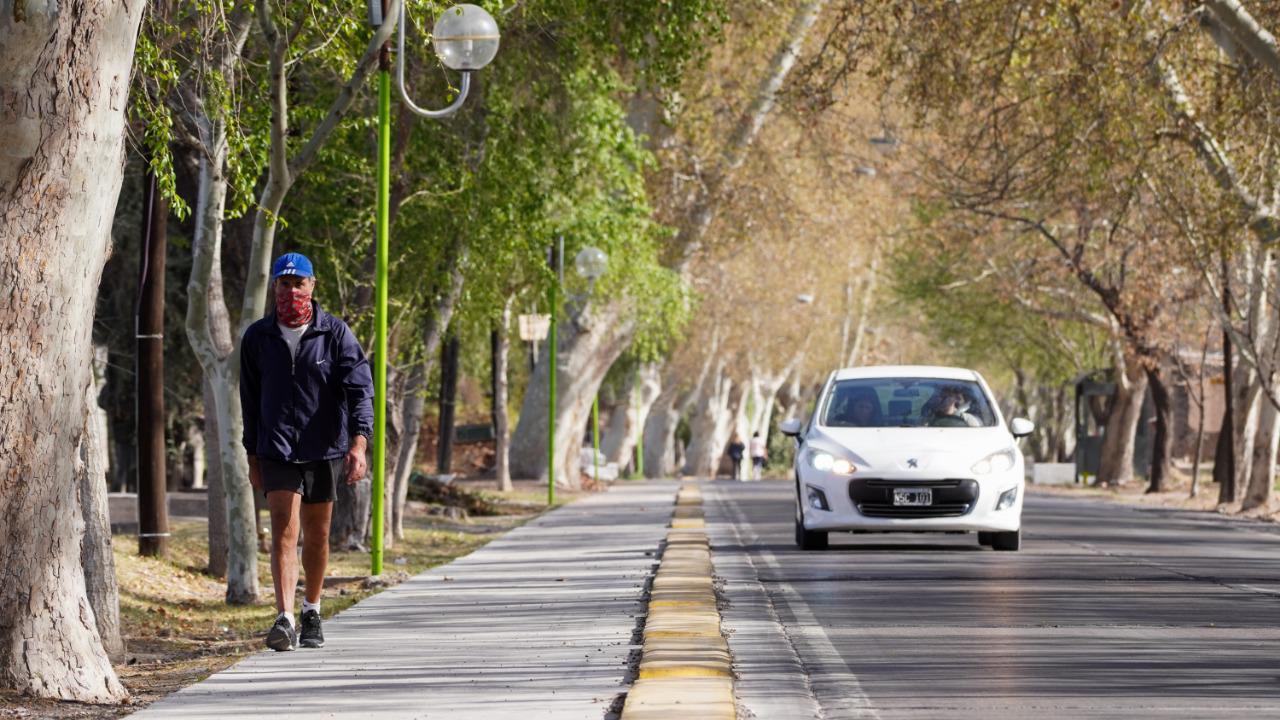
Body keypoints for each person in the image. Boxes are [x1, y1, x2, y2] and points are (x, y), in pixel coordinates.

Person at [240, 252, 374, 652]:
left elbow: (360, 390)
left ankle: (311, 609)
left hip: (324, 447)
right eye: (284, 283)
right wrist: (252, 454)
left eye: (299, 283)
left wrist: (358, 443)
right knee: (284, 529)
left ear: (312, 286)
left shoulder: (335, 334)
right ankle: (283, 619)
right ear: (275, 287)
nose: (292, 291)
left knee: (317, 534)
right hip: (277, 448)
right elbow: (249, 399)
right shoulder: (258, 338)